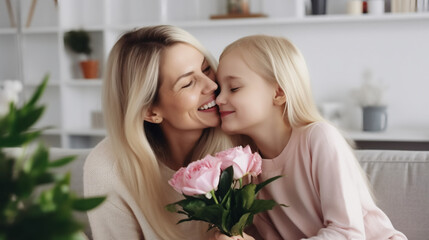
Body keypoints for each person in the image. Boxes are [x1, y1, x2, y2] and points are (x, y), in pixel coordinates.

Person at [215, 35, 407, 240]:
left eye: (234, 88)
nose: (219, 99)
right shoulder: (246, 167)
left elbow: (347, 233)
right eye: (218, 89)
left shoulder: (318, 138)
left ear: (279, 92)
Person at [84, 25, 235, 240]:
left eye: (206, 68)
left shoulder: (242, 139)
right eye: (188, 83)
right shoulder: (108, 168)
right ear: (150, 112)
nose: (211, 85)